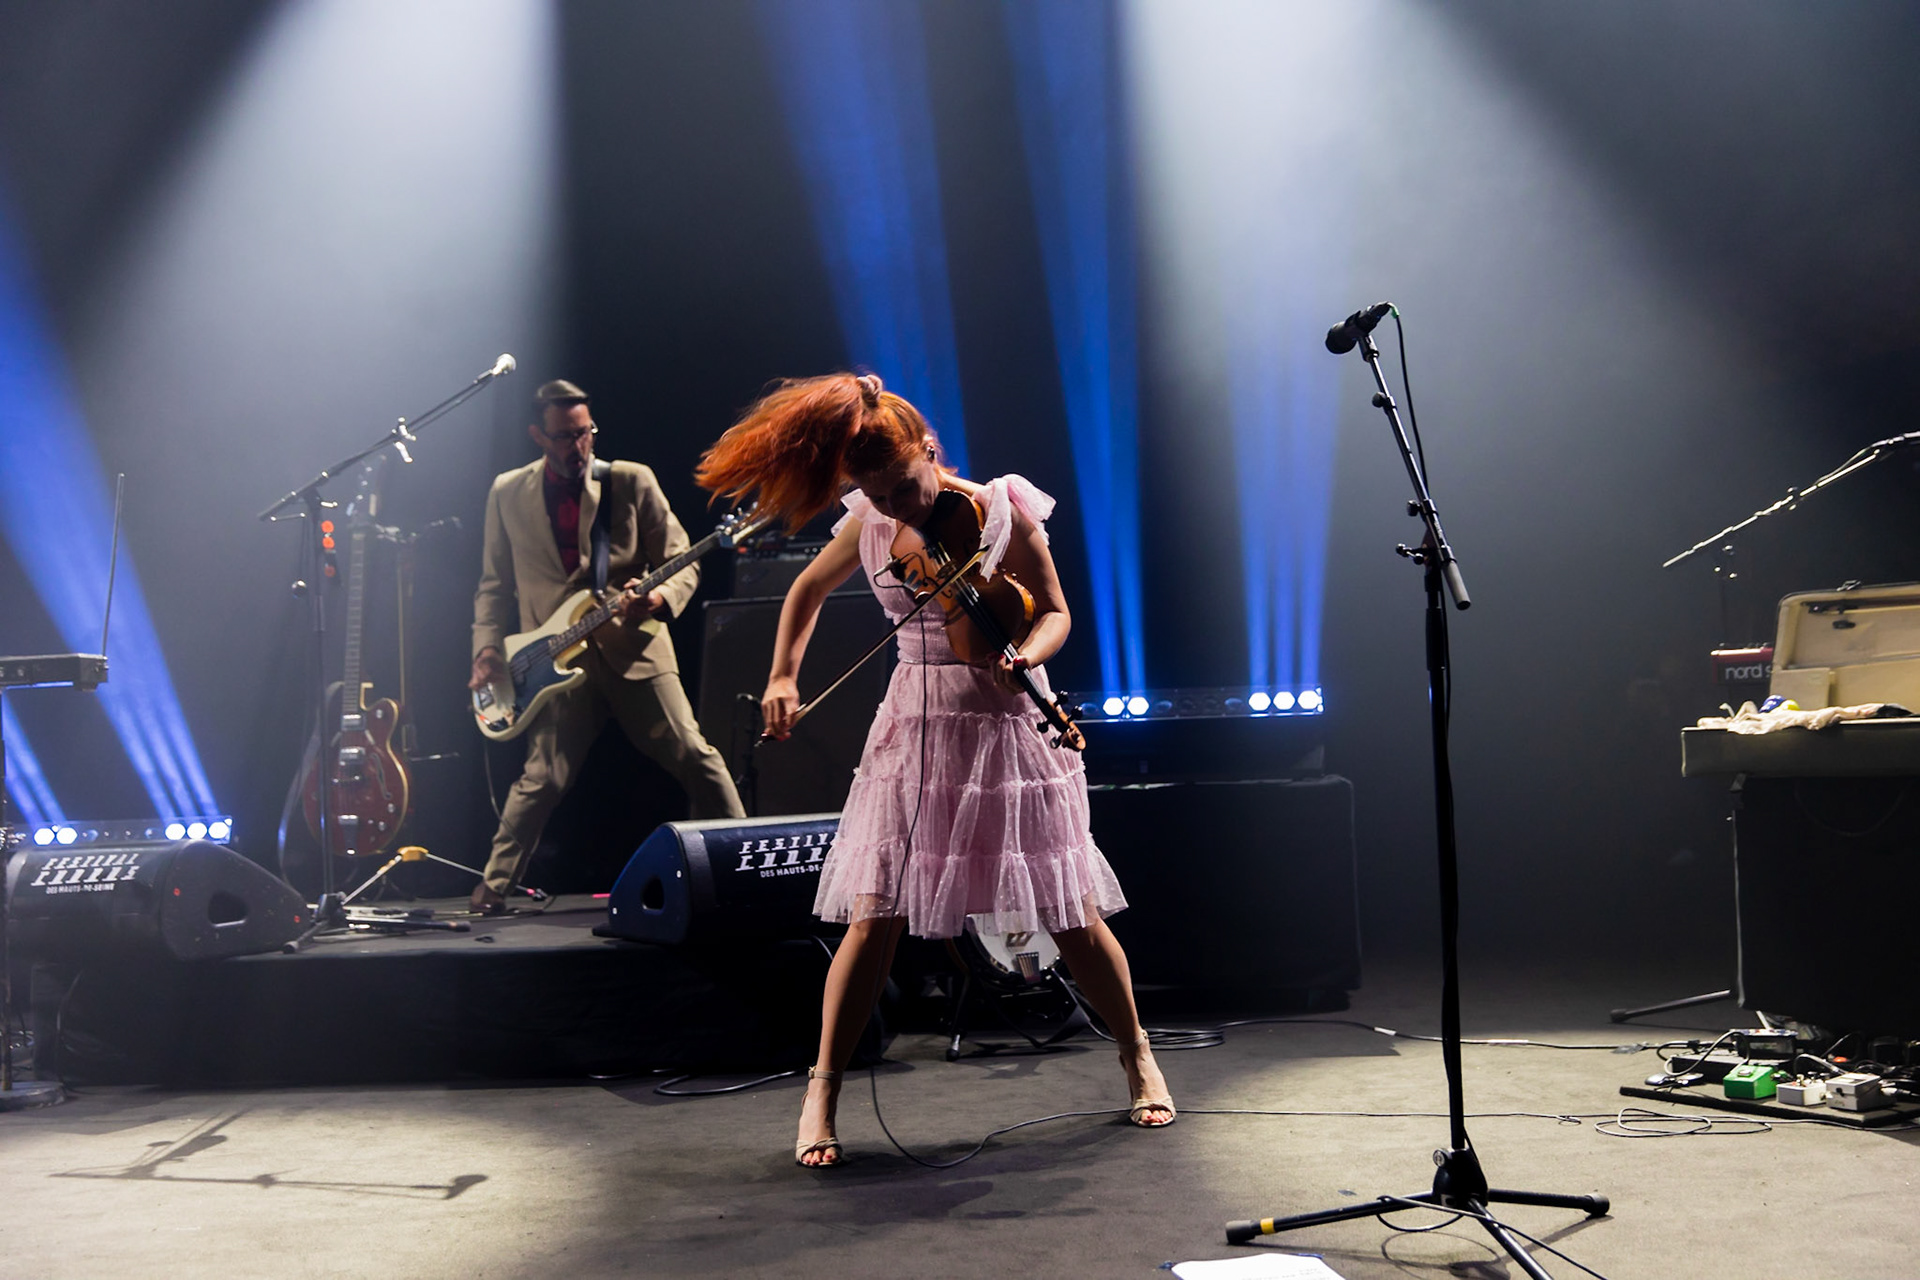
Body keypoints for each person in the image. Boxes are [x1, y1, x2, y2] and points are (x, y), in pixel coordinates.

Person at [696, 372, 1173, 1167]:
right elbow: (807, 590)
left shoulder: (998, 510)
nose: (896, 508)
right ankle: (823, 1089)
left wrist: (1025, 651)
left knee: (1068, 910)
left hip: (1006, 722)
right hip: (914, 721)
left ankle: (1136, 1053)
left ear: (929, 451)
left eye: (904, 487)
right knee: (874, 914)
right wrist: (784, 674)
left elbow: (1054, 610)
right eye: (877, 495)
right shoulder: (872, 522)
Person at [469, 379, 744, 914]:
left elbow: (680, 553)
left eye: (586, 432)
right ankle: (494, 886)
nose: (579, 445)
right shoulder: (507, 491)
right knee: (541, 778)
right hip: (551, 659)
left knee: (694, 754)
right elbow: (493, 583)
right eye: (565, 436)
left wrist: (659, 600)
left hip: (635, 646)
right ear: (537, 436)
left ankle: (745, 859)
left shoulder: (629, 480)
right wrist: (486, 649)